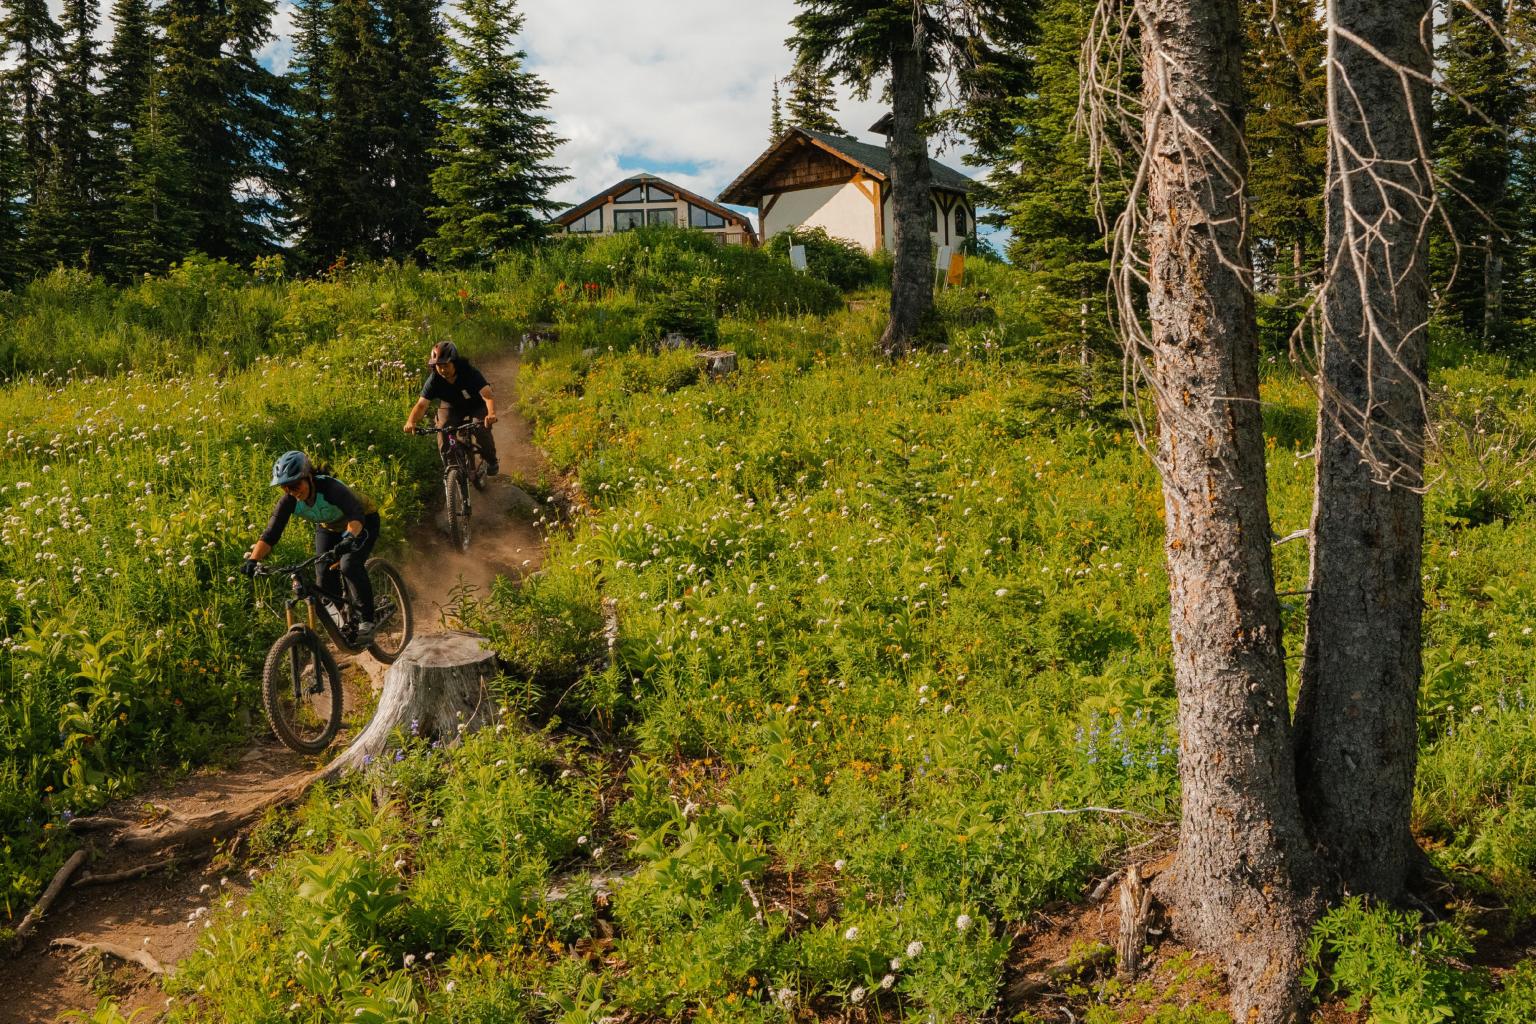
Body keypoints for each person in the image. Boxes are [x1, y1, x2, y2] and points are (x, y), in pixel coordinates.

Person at [241, 451, 381, 641]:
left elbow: (355, 515)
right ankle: (344, 626)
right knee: (322, 579)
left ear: (308, 477)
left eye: (296, 485)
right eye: (286, 488)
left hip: (362, 521)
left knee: (349, 564)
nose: (293, 491)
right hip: (329, 526)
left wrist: (348, 539)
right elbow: (271, 533)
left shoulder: (329, 488)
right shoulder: (290, 500)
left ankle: (367, 621)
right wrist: (253, 559)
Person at [402, 340, 499, 475]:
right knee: (443, 430)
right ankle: (452, 468)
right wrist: (411, 421)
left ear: (455, 362)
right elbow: (421, 405)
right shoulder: (434, 380)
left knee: (480, 428)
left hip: (476, 405)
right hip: (451, 407)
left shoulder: (469, 373)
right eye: (438, 366)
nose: (442, 370)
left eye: (446, 365)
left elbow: (487, 394)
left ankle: (491, 460)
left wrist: (491, 413)